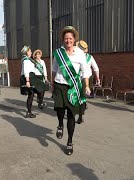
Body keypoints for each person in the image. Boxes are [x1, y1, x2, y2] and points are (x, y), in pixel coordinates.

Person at [52, 26, 91, 155]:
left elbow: (85, 71)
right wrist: (52, 84)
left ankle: (69, 142)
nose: (68, 40)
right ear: (63, 40)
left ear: (74, 39)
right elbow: (54, 69)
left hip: (74, 87)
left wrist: (86, 86)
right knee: (59, 110)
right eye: (66, 38)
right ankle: (60, 125)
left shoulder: (80, 54)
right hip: (59, 85)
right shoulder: (58, 53)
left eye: (70, 38)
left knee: (70, 114)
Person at [75, 40, 100, 124]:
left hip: (79, 78)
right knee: (83, 97)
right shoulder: (90, 57)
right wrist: (98, 78)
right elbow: (96, 68)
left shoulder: (77, 56)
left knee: (79, 97)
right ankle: (82, 108)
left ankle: (80, 116)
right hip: (89, 78)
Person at [20, 46, 46, 118]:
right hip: (28, 78)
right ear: (26, 52)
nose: (31, 52)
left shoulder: (29, 60)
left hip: (32, 77)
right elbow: (26, 71)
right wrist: (27, 81)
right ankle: (29, 112)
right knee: (31, 95)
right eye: (30, 51)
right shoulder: (25, 60)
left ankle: (39, 103)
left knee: (40, 89)